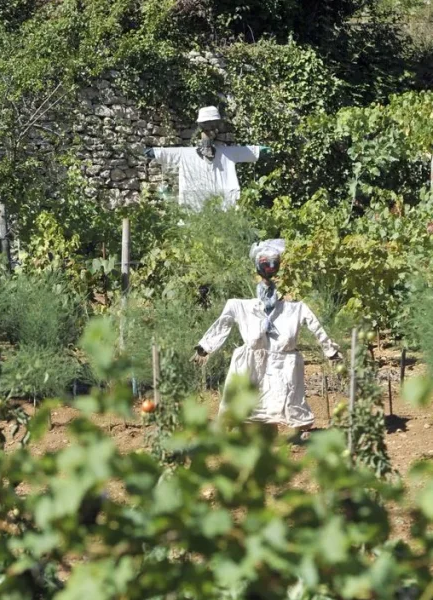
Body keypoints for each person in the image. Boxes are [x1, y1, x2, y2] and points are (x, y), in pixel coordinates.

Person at [192, 239, 342, 431]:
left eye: (274, 263)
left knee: (287, 400)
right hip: (251, 364)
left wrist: (331, 351)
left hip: (283, 365)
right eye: (266, 263)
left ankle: (297, 432)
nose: (270, 267)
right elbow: (222, 324)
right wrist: (205, 347)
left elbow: (316, 326)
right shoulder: (240, 306)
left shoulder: (295, 309)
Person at [144, 106, 271, 210]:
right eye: (207, 126)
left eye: (212, 125)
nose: (210, 130)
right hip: (195, 208)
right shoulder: (187, 154)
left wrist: (261, 150)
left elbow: (246, 152)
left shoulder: (227, 153)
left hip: (223, 206)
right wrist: (153, 153)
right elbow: (168, 153)